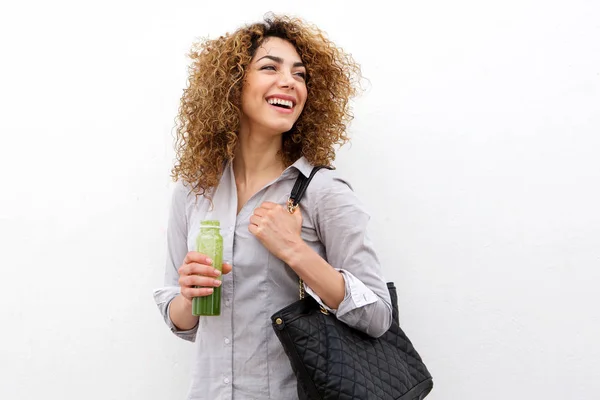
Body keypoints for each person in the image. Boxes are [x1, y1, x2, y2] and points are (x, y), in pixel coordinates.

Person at [153, 14, 393, 400]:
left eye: (300, 75)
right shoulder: (195, 189)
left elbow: (378, 316)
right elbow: (181, 321)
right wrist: (189, 295)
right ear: (232, 84)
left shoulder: (323, 190)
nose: (289, 81)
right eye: (270, 68)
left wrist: (295, 252)